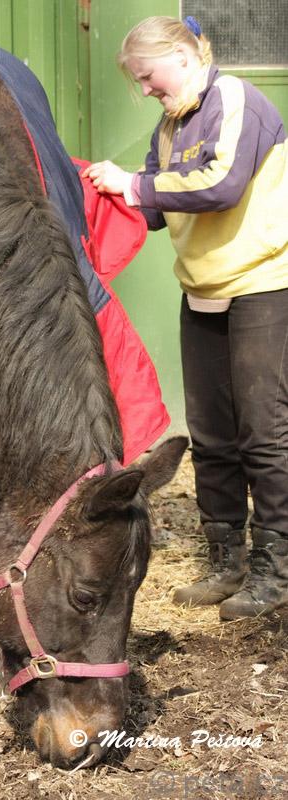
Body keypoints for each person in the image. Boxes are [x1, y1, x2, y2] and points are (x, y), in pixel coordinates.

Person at [83, 15, 288, 620]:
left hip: (261, 285)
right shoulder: (171, 123)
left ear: (181, 54)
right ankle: (226, 562)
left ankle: (275, 571)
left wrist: (134, 185)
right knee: (213, 435)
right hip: (202, 287)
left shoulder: (235, 99)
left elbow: (221, 185)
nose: (145, 88)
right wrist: (94, 191)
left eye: (148, 75)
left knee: (264, 434)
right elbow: (151, 202)